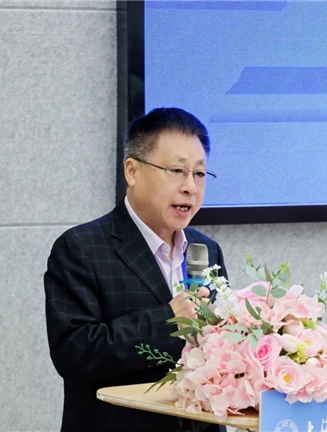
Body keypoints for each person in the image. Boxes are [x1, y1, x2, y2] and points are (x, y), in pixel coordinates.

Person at [44, 107, 228, 432]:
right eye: (177, 171)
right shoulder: (81, 248)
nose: (190, 186)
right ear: (132, 171)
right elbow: (75, 353)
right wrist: (170, 320)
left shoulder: (205, 250)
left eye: (200, 174)